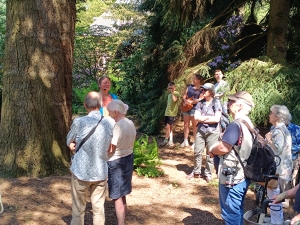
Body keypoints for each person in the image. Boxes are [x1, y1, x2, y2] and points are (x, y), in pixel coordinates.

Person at [67, 91, 114, 225]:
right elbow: (111, 144)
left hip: (80, 171)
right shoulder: (110, 122)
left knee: (78, 210)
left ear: (85, 105)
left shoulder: (79, 122)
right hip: (100, 172)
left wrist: (71, 144)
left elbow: (68, 140)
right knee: (99, 210)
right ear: (100, 104)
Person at [209, 91, 255, 225]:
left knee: (230, 213)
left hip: (233, 177)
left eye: (232, 101)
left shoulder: (235, 125)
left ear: (240, 106)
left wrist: (212, 149)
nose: (228, 103)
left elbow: (223, 148)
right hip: (242, 175)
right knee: (237, 210)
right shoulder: (248, 124)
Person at [107, 100, 136, 225]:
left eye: (109, 113)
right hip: (128, 158)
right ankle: (123, 220)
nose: (108, 115)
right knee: (123, 192)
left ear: (115, 112)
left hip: (116, 162)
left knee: (117, 196)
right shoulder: (130, 122)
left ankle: (120, 223)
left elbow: (111, 148)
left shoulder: (118, 126)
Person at [263, 105, 293, 225]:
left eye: (271, 113)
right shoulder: (283, 129)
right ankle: (276, 219)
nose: (269, 115)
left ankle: (276, 221)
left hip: (278, 169)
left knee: (274, 195)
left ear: (277, 117)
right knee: (276, 194)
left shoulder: (278, 130)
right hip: (281, 168)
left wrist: (269, 139)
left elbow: (278, 149)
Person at [186, 83, 222, 181]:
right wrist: (208, 118)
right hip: (201, 130)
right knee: (197, 151)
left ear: (211, 92)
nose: (203, 92)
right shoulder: (200, 103)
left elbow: (217, 119)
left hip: (213, 131)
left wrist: (203, 118)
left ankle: (208, 173)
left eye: (205, 90)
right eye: (202, 90)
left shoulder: (216, 102)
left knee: (210, 153)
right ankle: (196, 172)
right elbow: (196, 117)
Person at [181, 73, 205, 149]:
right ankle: (185, 140)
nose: (193, 80)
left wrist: (192, 102)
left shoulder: (202, 89)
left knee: (195, 126)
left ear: (199, 80)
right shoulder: (190, 87)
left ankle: (195, 142)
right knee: (186, 124)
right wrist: (185, 100)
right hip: (186, 107)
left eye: (194, 78)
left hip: (195, 108)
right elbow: (185, 95)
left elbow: (201, 99)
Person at [213, 69, 230, 174]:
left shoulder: (225, 84)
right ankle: (220, 136)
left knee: (224, 121)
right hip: (216, 106)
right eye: (216, 74)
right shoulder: (215, 85)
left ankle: (226, 137)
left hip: (223, 106)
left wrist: (215, 96)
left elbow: (224, 94)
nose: (217, 75)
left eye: (219, 74)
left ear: (222, 75)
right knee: (218, 122)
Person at [162, 82, 180, 147]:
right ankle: (171, 140)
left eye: (171, 88)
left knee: (168, 126)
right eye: (169, 88)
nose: (170, 89)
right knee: (170, 127)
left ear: (174, 88)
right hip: (167, 113)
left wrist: (172, 92)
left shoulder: (176, 93)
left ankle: (166, 139)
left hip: (172, 113)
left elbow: (174, 100)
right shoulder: (169, 95)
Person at [287, 122, 300, 186]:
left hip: (293, 160)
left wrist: (289, 148)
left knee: (292, 182)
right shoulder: (274, 128)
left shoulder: (296, 128)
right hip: (277, 162)